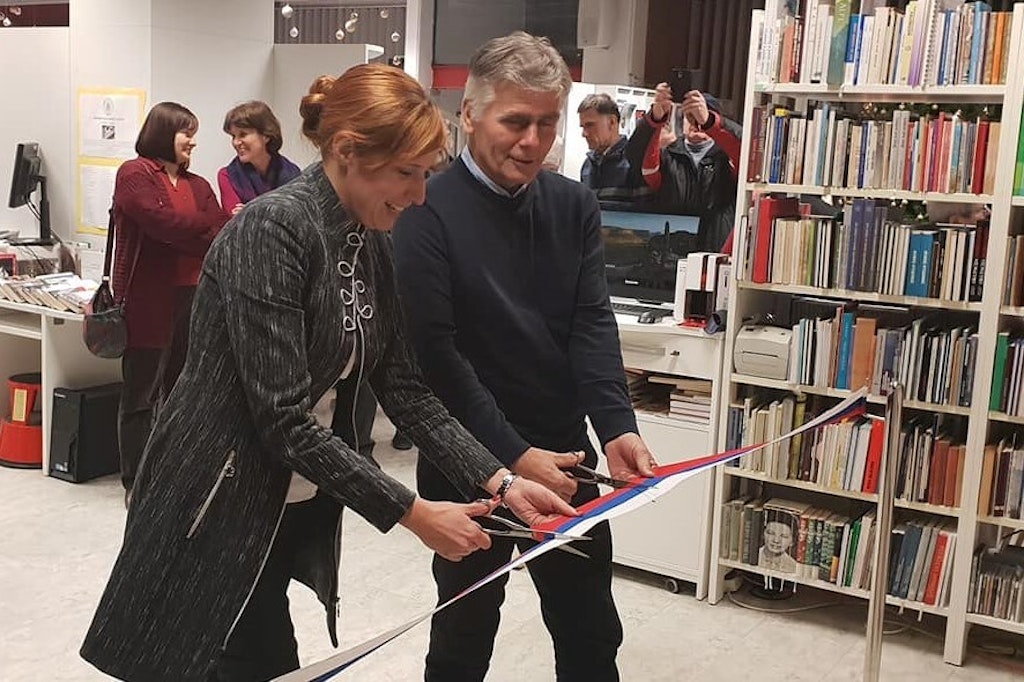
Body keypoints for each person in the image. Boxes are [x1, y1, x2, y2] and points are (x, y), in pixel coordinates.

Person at [80, 64, 575, 682]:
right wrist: (413, 512)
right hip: (213, 501)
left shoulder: (370, 239)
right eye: (406, 173)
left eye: (426, 175)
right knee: (234, 659)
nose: (419, 195)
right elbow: (284, 420)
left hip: (286, 498)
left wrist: (499, 480)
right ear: (346, 151)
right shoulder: (272, 230)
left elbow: (406, 388)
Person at [392, 32, 658, 682]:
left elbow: (591, 324)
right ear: (471, 114)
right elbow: (438, 360)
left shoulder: (573, 205)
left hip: (566, 461)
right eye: (516, 122)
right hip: (469, 470)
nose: (533, 141)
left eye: (547, 123)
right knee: (462, 635)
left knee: (591, 632)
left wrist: (617, 426)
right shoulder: (425, 210)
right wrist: (512, 457)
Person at [110, 101, 228, 498]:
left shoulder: (198, 185)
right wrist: (201, 225)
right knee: (141, 393)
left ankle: (170, 471)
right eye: (185, 132)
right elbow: (156, 220)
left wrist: (192, 229)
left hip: (193, 294)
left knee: (181, 391)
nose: (193, 141)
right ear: (163, 132)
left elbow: (219, 231)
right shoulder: (135, 173)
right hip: (147, 299)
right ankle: (136, 481)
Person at [628, 84, 742, 253]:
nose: (696, 123)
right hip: (672, 257)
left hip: (716, 256)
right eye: (691, 116)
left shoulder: (727, 158)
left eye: (700, 117)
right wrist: (655, 118)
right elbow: (636, 157)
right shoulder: (669, 155)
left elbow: (748, 154)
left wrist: (710, 122)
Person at [217, 100, 302, 215]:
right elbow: (235, 222)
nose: (236, 142)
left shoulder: (293, 174)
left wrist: (250, 211)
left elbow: (296, 217)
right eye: (233, 136)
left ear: (266, 135)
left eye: (243, 134)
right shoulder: (226, 175)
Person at [577, 93, 652, 208]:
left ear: (612, 122)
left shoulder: (634, 161)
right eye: (583, 127)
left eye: (590, 125)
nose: (584, 133)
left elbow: (645, 216)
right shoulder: (587, 166)